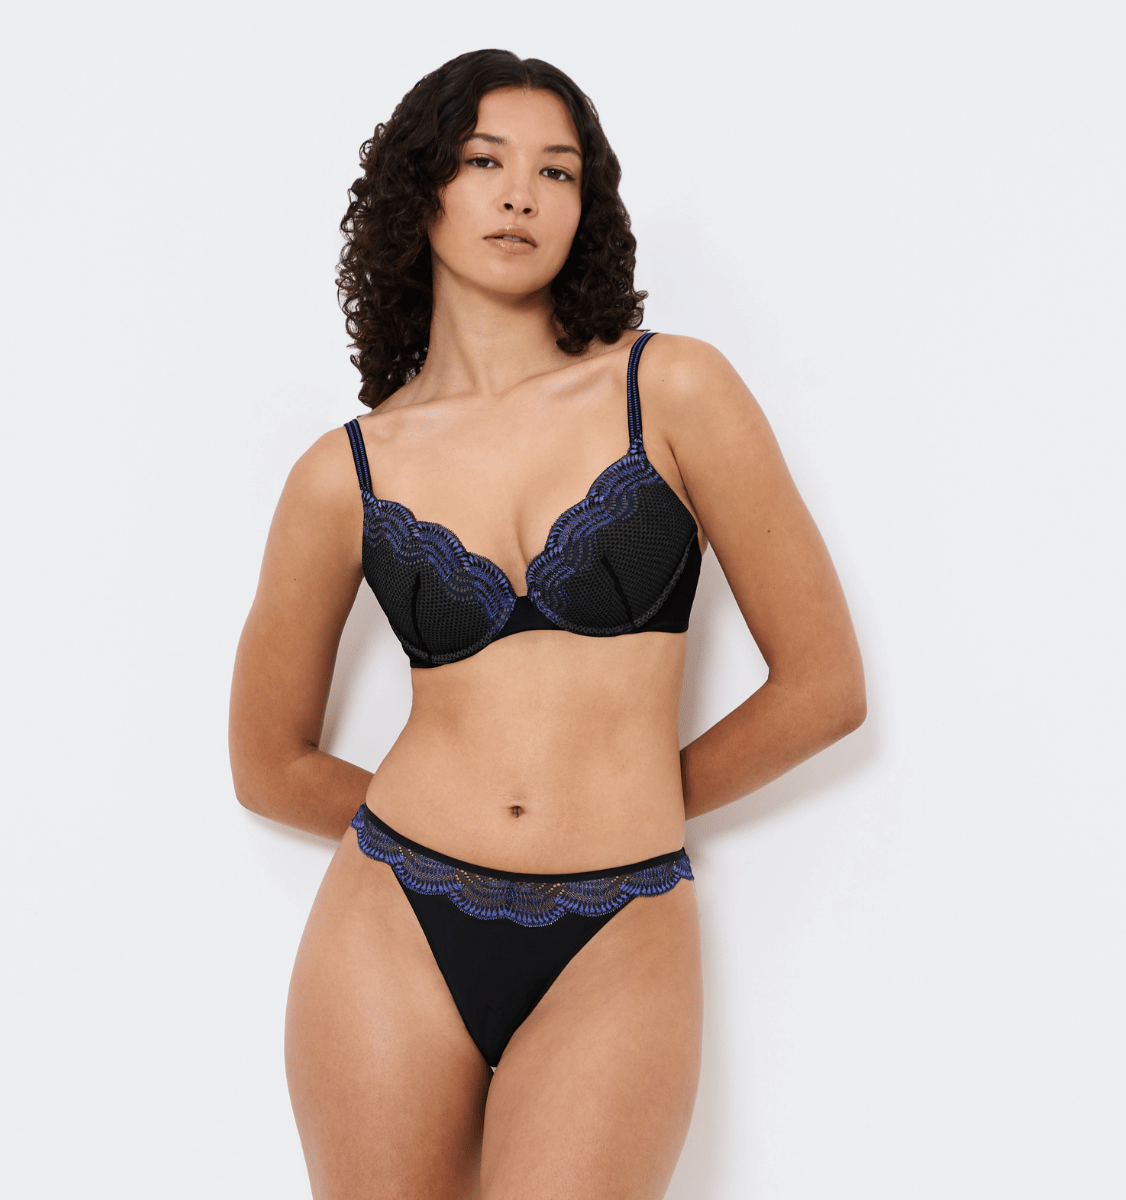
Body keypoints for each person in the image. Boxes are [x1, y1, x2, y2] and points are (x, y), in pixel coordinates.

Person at [228, 47, 865, 1200]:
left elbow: (824, 687)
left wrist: (625, 800)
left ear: (587, 206)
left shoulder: (673, 391)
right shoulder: (345, 473)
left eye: (557, 171)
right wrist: (438, 829)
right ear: (422, 190)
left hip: (620, 921)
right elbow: (267, 764)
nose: (521, 194)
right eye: (485, 161)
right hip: (394, 918)